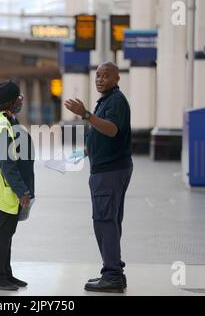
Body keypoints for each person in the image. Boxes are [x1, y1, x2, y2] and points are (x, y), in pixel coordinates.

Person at [64, 62, 133, 293]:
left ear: (117, 79)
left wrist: (85, 114)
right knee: (109, 221)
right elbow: (105, 135)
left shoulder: (115, 101)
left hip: (109, 172)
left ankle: (112, 275)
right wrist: (82, 152)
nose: (100, 79)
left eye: (106, 76)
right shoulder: (107, 101)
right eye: (98, 75)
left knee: (104, 221)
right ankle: (114, 273)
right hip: (110, 168)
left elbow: (112, 129)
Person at [0, 80, 35, 291]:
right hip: (6, 189)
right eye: (18, 97)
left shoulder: (6, 120)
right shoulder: (2, 124)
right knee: (3, 233)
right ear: (11, 102)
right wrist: (21, 190)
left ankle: (6, 273)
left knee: (7, 232)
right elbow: (7, 162)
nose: (21, 100)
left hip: (4, 187)